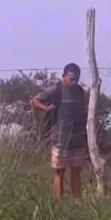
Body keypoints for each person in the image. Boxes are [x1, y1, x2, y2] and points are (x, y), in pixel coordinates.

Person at [31, 63, 90, 204]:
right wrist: (46, 109)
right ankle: (59, 202)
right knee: (60, 171)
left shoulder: (80, 91)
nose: (74, 82)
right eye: (71, 79)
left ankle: (77, 202)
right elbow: (34, 101)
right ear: (64, 76)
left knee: (76, 171)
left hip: (77, 137)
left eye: (76, 79)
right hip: (60, 137)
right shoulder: (56, 89)